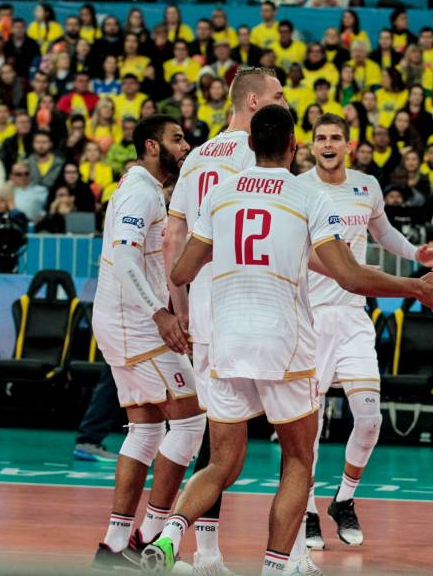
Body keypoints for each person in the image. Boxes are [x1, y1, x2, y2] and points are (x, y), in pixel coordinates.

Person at [150, 105, 433, 575]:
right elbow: (351, 276)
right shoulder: (307, 196)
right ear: (294, 146)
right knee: (297, 458)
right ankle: (276, 567)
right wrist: (415, 285)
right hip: (283, 342)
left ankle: (171, 535)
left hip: (227, 341)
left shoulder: (222, 194)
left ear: (250, 145)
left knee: (220, 463)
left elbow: (182, 270)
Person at [162, 66, 286, 574]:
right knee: (271, 436)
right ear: (254, 102)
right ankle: (285, 556)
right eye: (278, 94)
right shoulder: (255, 154)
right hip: (249, 305)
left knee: (220, 433)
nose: (285, 101)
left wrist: (181, 305)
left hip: (207, 310)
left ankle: (203, 552)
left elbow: (173, 239)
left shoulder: (195, 156)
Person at [300, 113, 433, 550]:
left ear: (348, 144)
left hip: (353, 317)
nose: (328, 144)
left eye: (335, 138)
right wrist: (353, 272)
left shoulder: (366, 186)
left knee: (369, 418)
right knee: (309, 424)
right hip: (310, 318)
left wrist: (416, 252)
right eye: (321, 138)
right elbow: (297, 253)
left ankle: (343, 501)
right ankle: (305, 510)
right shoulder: (299, 188)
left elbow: (383, 233)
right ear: (311, 145)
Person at [90, 115, 206, 571]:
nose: (186, 144)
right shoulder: (140, 192)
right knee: (192, 423)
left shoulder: (141, 189)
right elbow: (122, 256)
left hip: (123, 319)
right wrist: (159, 313)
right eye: (178, 138)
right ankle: (150, 537)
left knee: (146, 430)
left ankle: (115, 547)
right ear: (153, 146)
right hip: (133, 323)